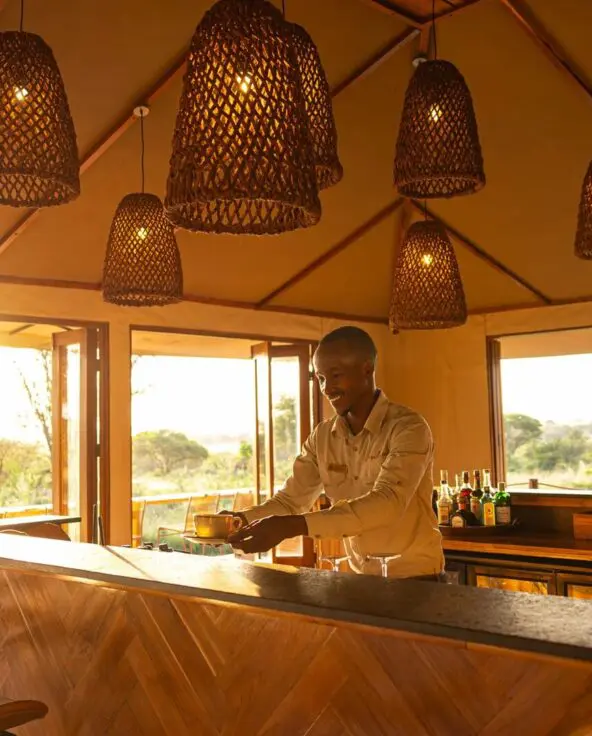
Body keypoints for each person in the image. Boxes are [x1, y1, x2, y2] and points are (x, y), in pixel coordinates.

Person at [228, 326, 443, 578]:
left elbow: (388, 502)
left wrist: (292, 527)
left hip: (417, 579)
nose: (327, 388)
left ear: (367, 369)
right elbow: (290, 501)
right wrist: (239, 520)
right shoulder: (322, 437)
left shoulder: (409, 427)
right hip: (359, 578)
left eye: (335, 375)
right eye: (320, 378)